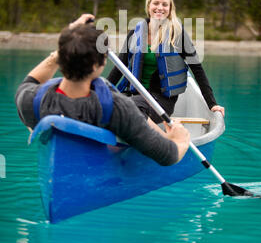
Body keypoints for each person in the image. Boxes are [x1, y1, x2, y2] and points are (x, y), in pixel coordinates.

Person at [15, 14, 190, 166]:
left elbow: (30, 81)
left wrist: (66, 45)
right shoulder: (118, 109)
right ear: (100, 64)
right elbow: (169, 156)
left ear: (61, 58)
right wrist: (180, 139)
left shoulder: (30, 100)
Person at [107, 0, 225, 124]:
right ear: (148, 6)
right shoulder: (135, 33)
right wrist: (101, 90)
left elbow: (197, 69)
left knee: (127, 107)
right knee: (106, 105)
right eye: (156, 3)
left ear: (170, 9)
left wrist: (212, 104)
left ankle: (158, 139)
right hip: (135, 95)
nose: (160, 8)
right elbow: (119, 68)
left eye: (164, 4)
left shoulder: (177, 34)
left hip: (160, 101)